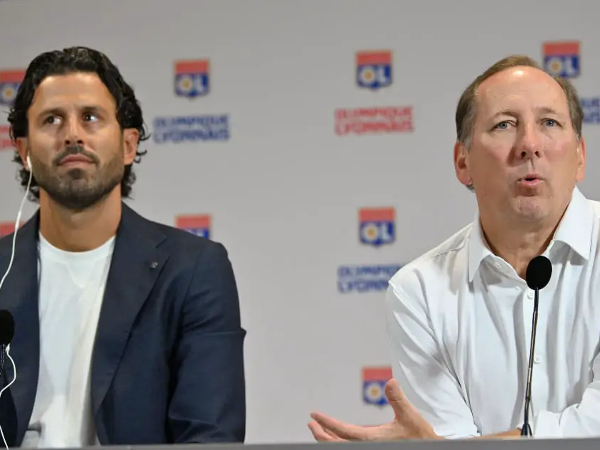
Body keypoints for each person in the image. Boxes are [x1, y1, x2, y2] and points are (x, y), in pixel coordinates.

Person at [308, 54, 600, 440]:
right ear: (463, 162)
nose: (529, 144)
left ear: (579, 155)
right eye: (505, 125)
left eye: (549, 122)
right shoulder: (419, 292)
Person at [0, 46, 246, 447]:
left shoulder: (193, 270)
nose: (73, 134)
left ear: (129, 145)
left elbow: (209, 436)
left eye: (91, 117)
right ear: (25, 151)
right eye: (52, 120)